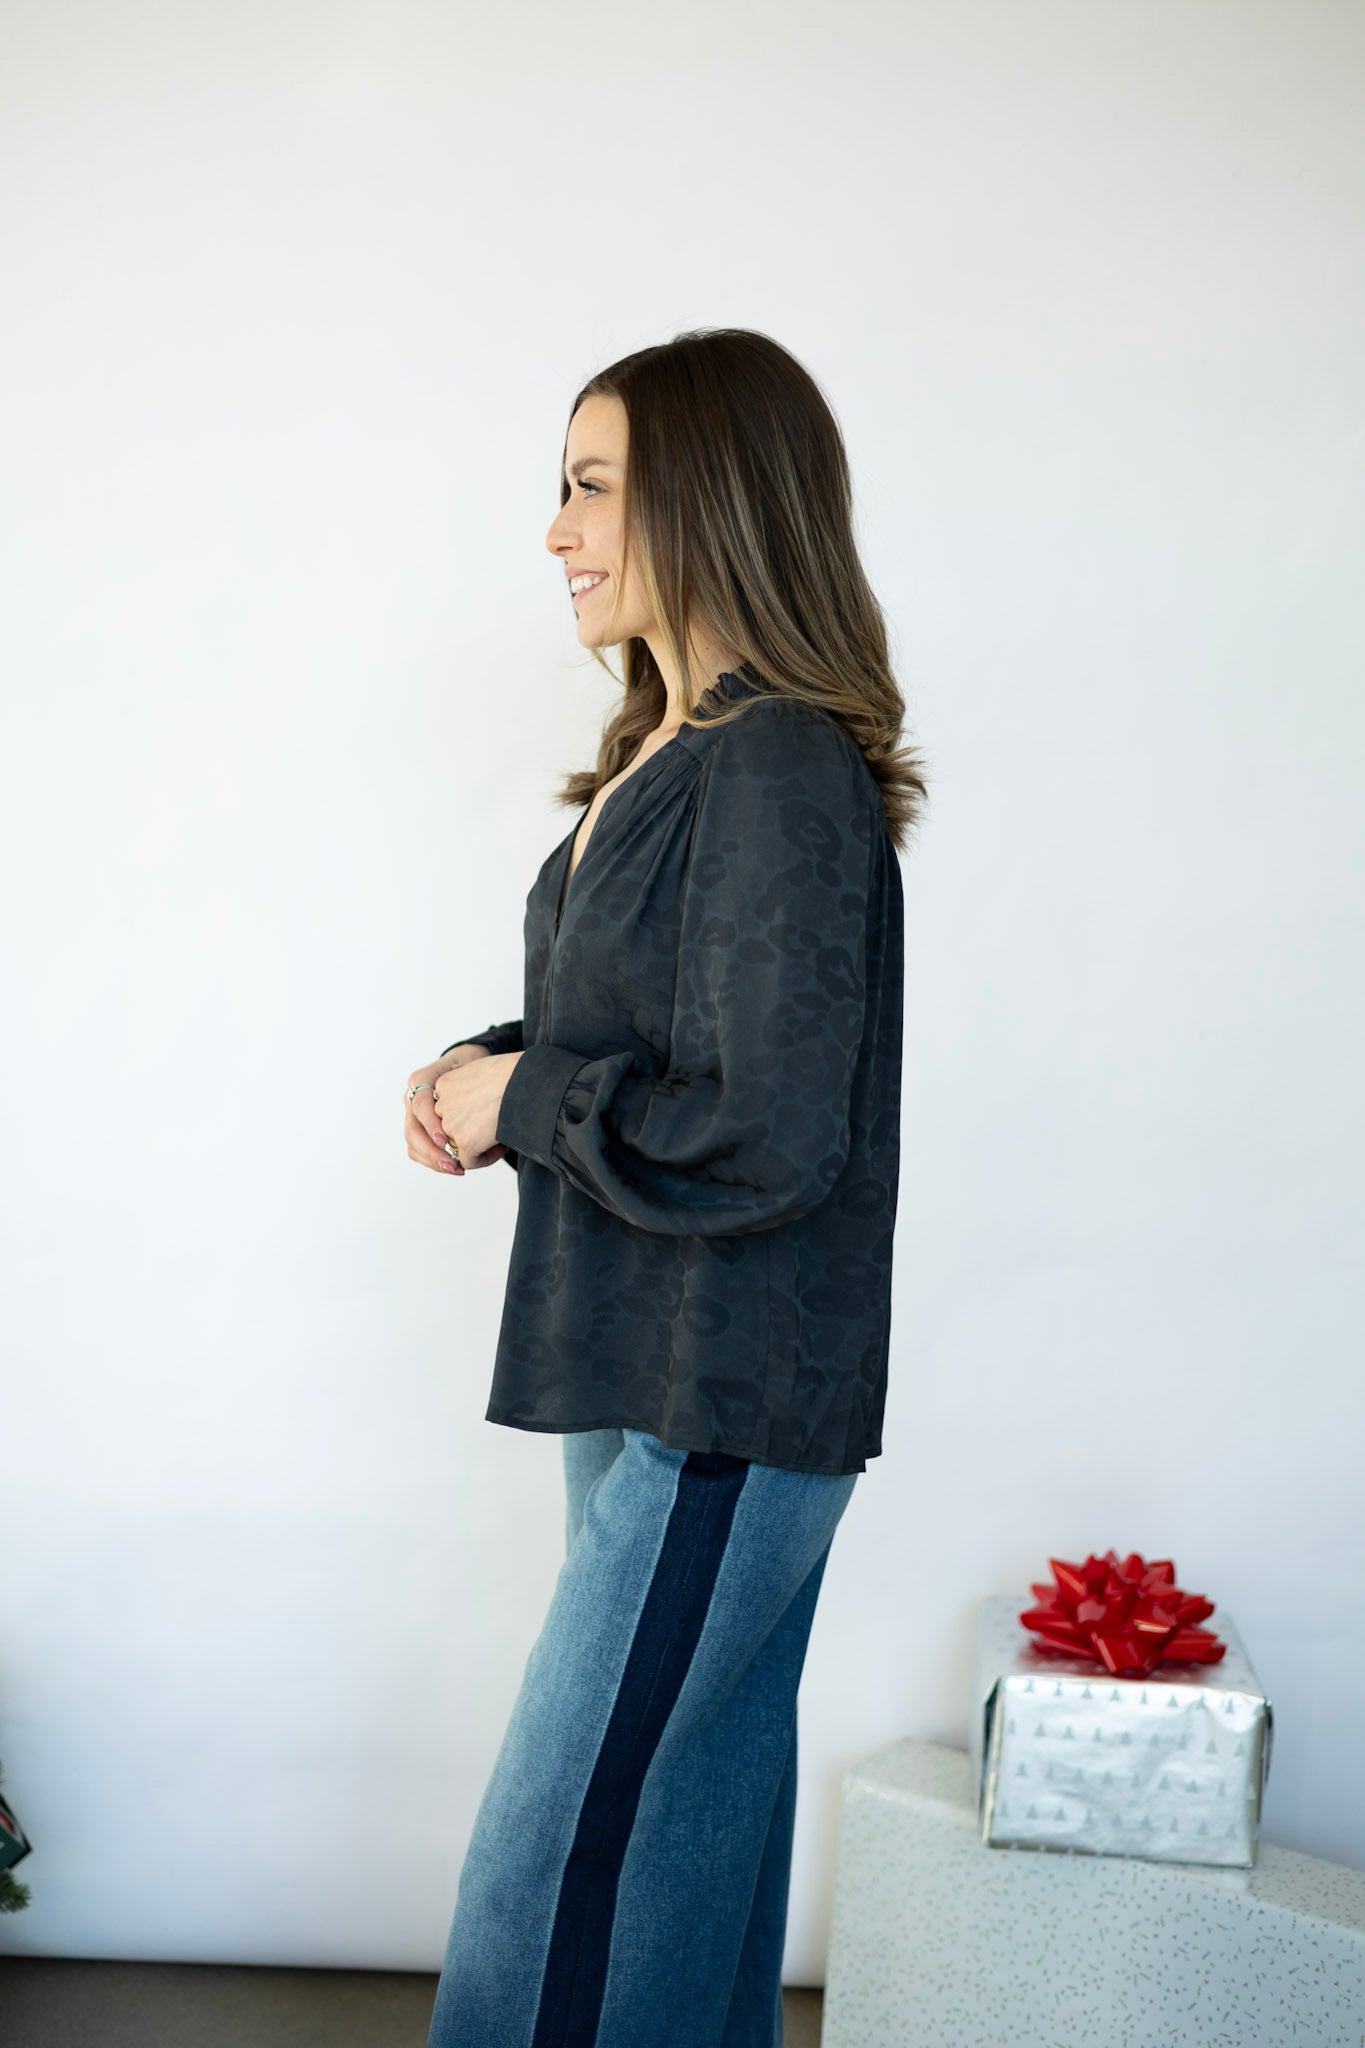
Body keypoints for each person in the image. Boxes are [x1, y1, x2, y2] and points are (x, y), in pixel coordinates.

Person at [405, 328, 927, 2048]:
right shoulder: (667, 746)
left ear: (707, 498)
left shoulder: (771, 762)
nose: (554, 531)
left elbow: (767, 1129)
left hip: (723, 1383)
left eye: (589, 485)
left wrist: (525, 1098)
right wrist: (488, 1078)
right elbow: (657, 1031)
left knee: (565, 1858)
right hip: (647, 1367)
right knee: (678, 1839)